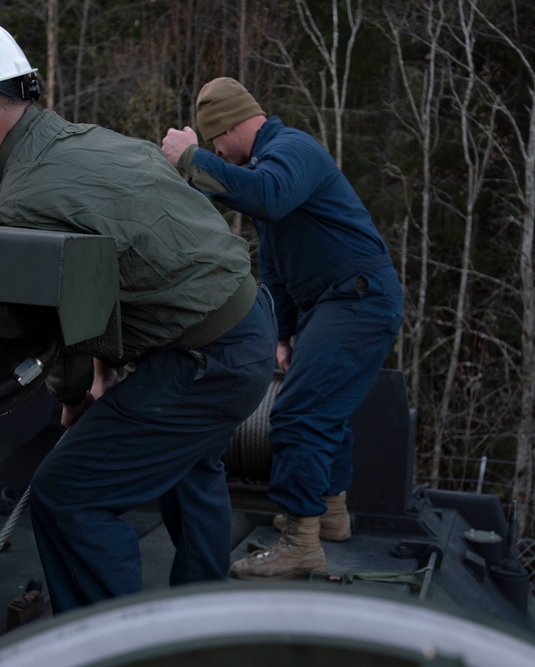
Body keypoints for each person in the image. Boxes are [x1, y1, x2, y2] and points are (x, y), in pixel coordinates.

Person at [0, 19, 277, 613]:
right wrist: (93, 377)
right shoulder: (84, 141)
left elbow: (52, 327)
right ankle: (207, 613)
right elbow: (117, 267)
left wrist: (65, 388)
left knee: (69, 494)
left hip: (207, 361)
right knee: (189, 462)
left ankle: (110, 644)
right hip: (245, 323)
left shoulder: (23, 202)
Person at [161, 77, 404, 580]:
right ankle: (329, 514)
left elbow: (267, 197)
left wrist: (191, 160)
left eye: (215, 142)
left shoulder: (293, 150)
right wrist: (283, 334)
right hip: (333, 302)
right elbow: (275, 264)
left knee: (298, 414)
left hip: (357, 297)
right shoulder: (266, 166)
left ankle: (300, 541)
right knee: (323, 409)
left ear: (229, 125)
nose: (218, 151)